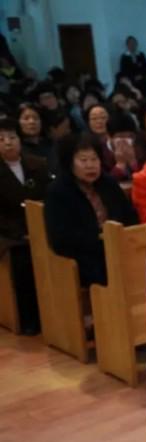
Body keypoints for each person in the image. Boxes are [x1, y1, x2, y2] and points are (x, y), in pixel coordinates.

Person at [44, 132, 138, 287]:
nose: (90, 165)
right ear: (70, 162)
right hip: (84, 258)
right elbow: (61, 240)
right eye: (83, 160)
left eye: (94, 159)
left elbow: (130, 216)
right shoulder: (58, 191)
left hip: (118, 248)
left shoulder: (108, 183)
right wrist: (101, 240)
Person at [0, 118, 50, 334]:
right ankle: (30, 320)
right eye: (1, 139)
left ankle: (55, 315)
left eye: (12, 137)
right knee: (23, 257)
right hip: (8, 234)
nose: (8, 143)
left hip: (39, 225)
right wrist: (22, 233)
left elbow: (48, 197)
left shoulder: (37, 164)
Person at [106, 112, 142, 181]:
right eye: (121, 136)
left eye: (130, 136)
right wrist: (120, 165)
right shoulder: (101, 151)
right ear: (109, 137)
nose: (125, 140)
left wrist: (133, 162)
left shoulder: (140, 148)